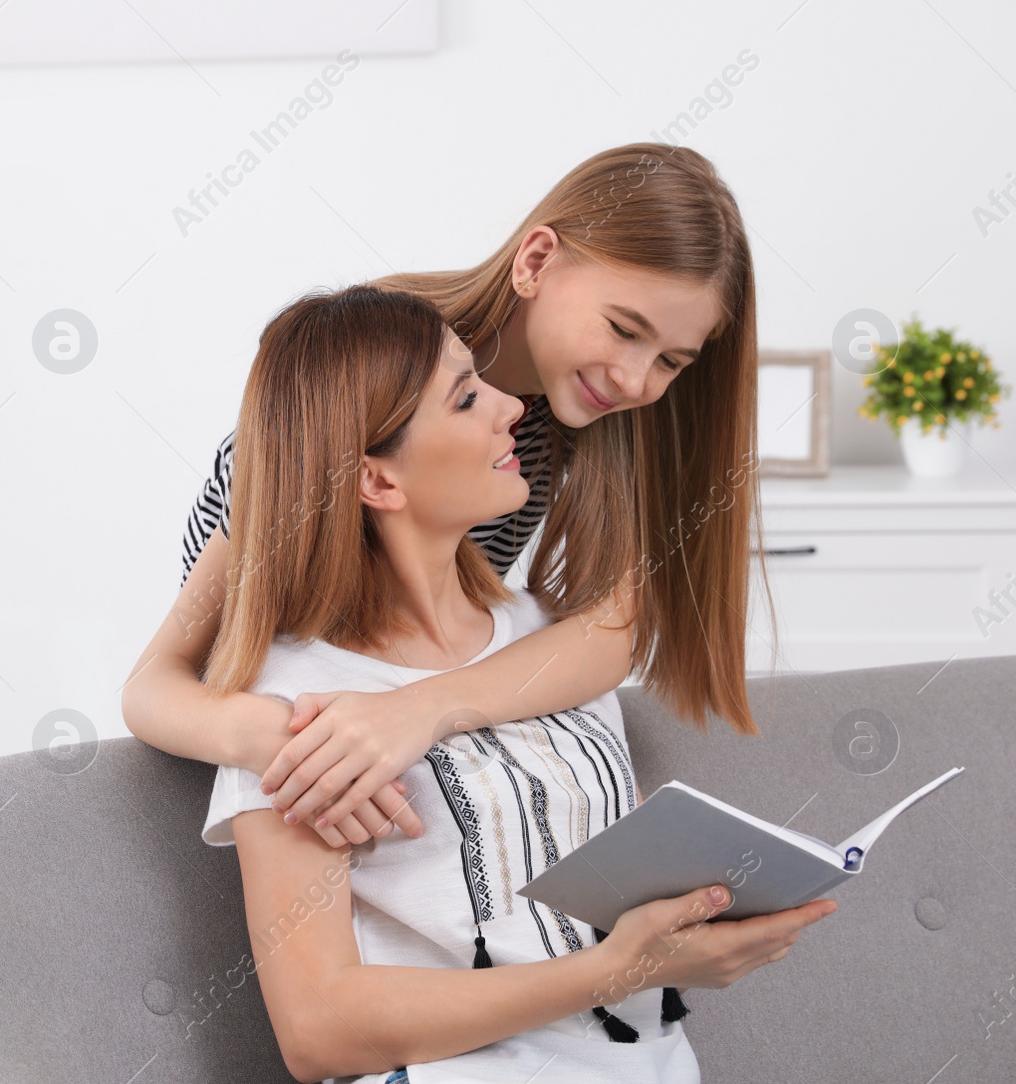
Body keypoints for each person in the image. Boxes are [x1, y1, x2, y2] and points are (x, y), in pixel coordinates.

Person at [196, 283, 836, 1083]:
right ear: (378, 482)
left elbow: (585, 879)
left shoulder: (547, 637)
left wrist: (703, 910)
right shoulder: (300, 703)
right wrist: (616, 971)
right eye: (467, 398)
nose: (511, 408)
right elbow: (318, 1029)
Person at [123, 142, 780, 852]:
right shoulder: (368, 374)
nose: (633, 379)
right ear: (535, 262)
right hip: (299, 769)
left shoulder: (574, 417)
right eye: (624, 330)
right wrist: (279, 738)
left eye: (670, 363)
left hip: (397, 750)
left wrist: (419, 711)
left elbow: (607, 635)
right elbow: (161, 678)